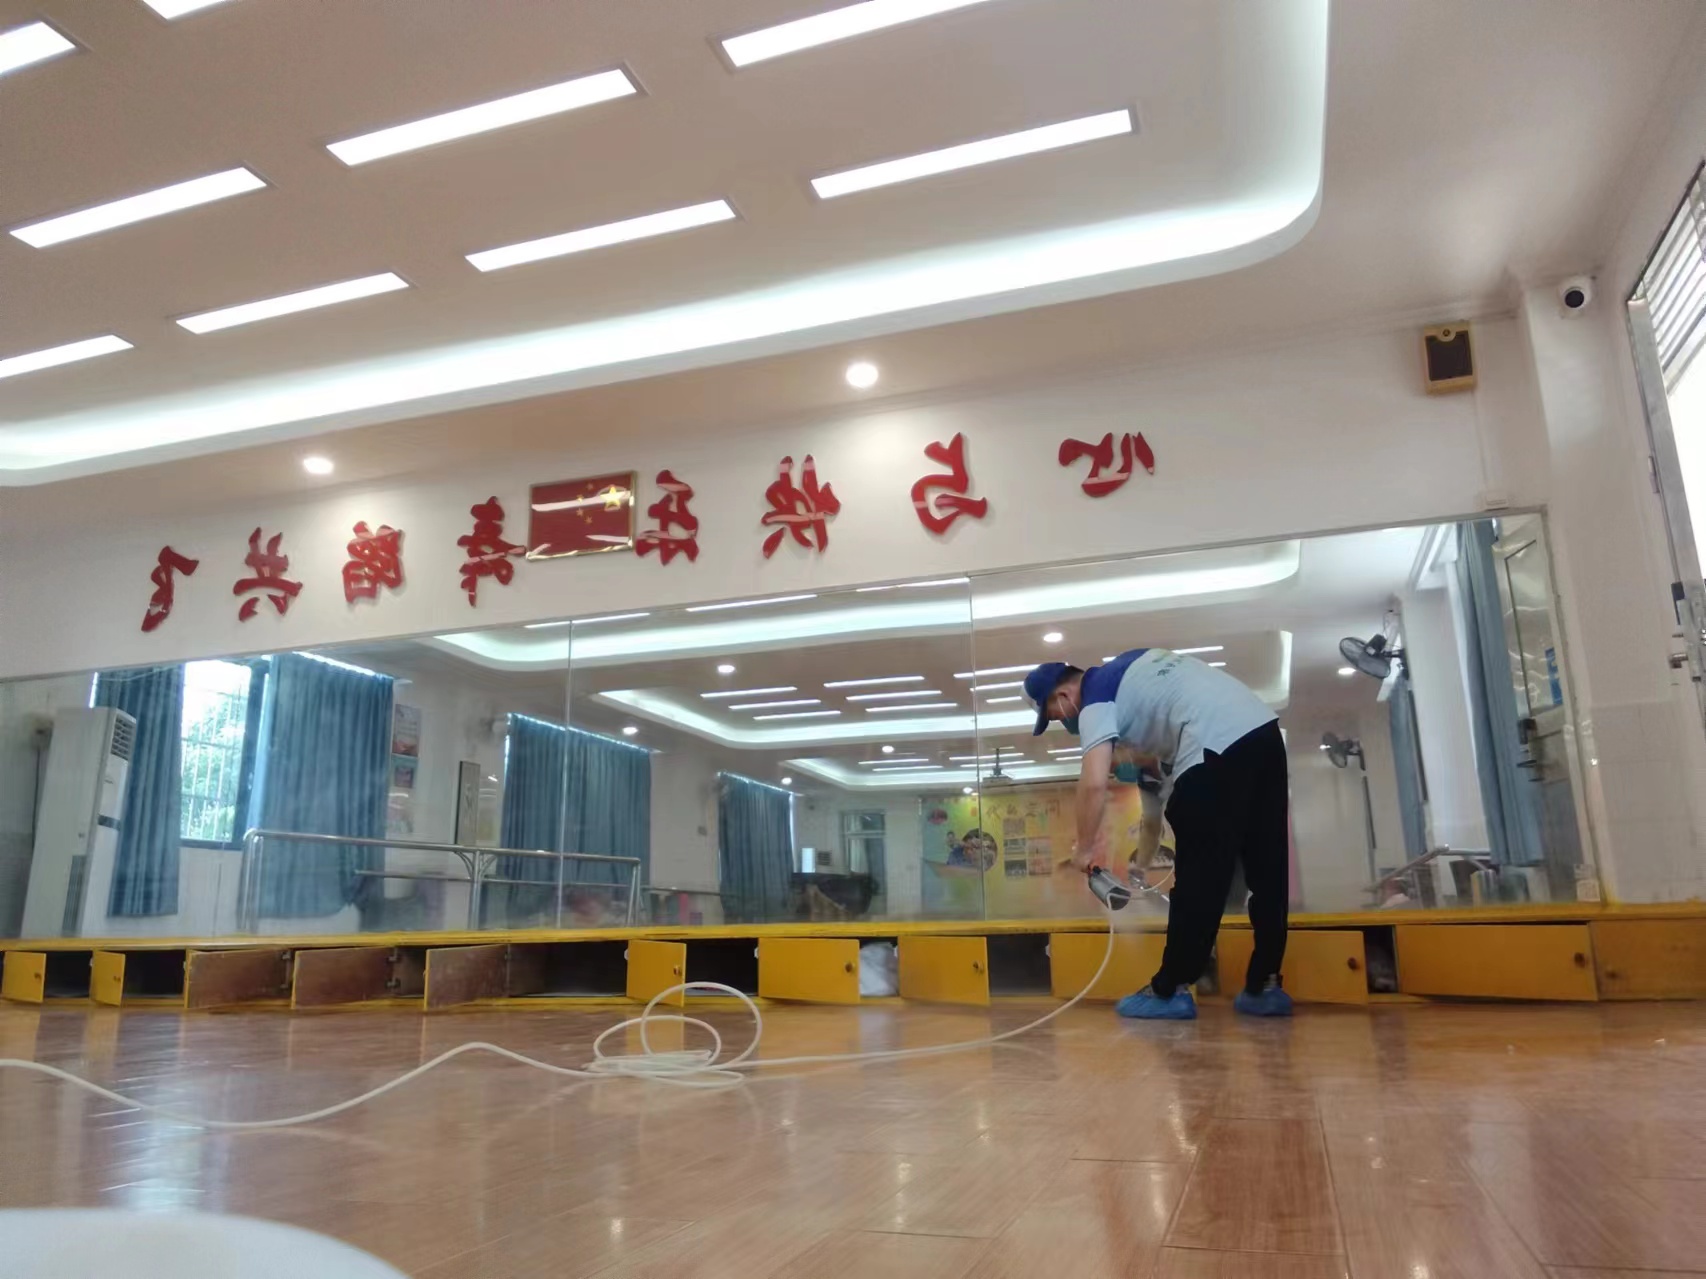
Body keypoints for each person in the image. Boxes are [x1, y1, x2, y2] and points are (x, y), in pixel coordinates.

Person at [1025, 648, 1293, 1019]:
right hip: (1264, 731)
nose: (1063, 722)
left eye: (1055, 716)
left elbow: (1093, 783)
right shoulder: (1137, 662)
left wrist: (1084, 850)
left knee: (1199, 875)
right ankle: (1265, 985)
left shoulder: (1095, 696)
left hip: (1212, 743)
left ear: (1064, 696)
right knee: (1268, 866)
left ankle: (1169, 990)